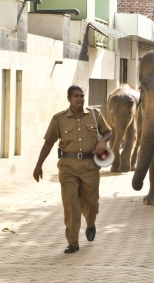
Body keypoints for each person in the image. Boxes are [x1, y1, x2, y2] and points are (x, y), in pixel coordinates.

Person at [33, 85, 112, 254]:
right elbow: (48, 142)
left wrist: (102, 141)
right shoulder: (59, 119)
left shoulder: (94, 114)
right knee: (71, 205)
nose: (80, 99)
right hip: (68, 167)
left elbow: (108, 132)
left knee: (91, 203)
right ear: (69, 98)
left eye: (82, 96)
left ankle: (90, 223)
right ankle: (73, 242)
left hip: (90, 167)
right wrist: (38, 165)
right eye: (76, 96)